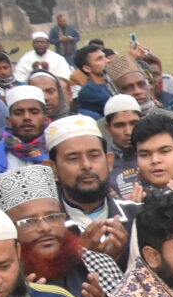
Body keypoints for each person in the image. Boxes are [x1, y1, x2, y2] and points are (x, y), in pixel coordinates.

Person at [43, 114, 133, 268]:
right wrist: (86, 256)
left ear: (109, 161)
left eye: (94, 156)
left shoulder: (137, 215)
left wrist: (121, 256)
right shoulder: (45, 228)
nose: (86, 165)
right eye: (73, 158)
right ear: (53, 168)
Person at [0, 84, 48, 177]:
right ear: (9, 122)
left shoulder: (57, 152)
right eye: (18, 113)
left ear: (45, 120)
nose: (26, 117)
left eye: (34, 112)